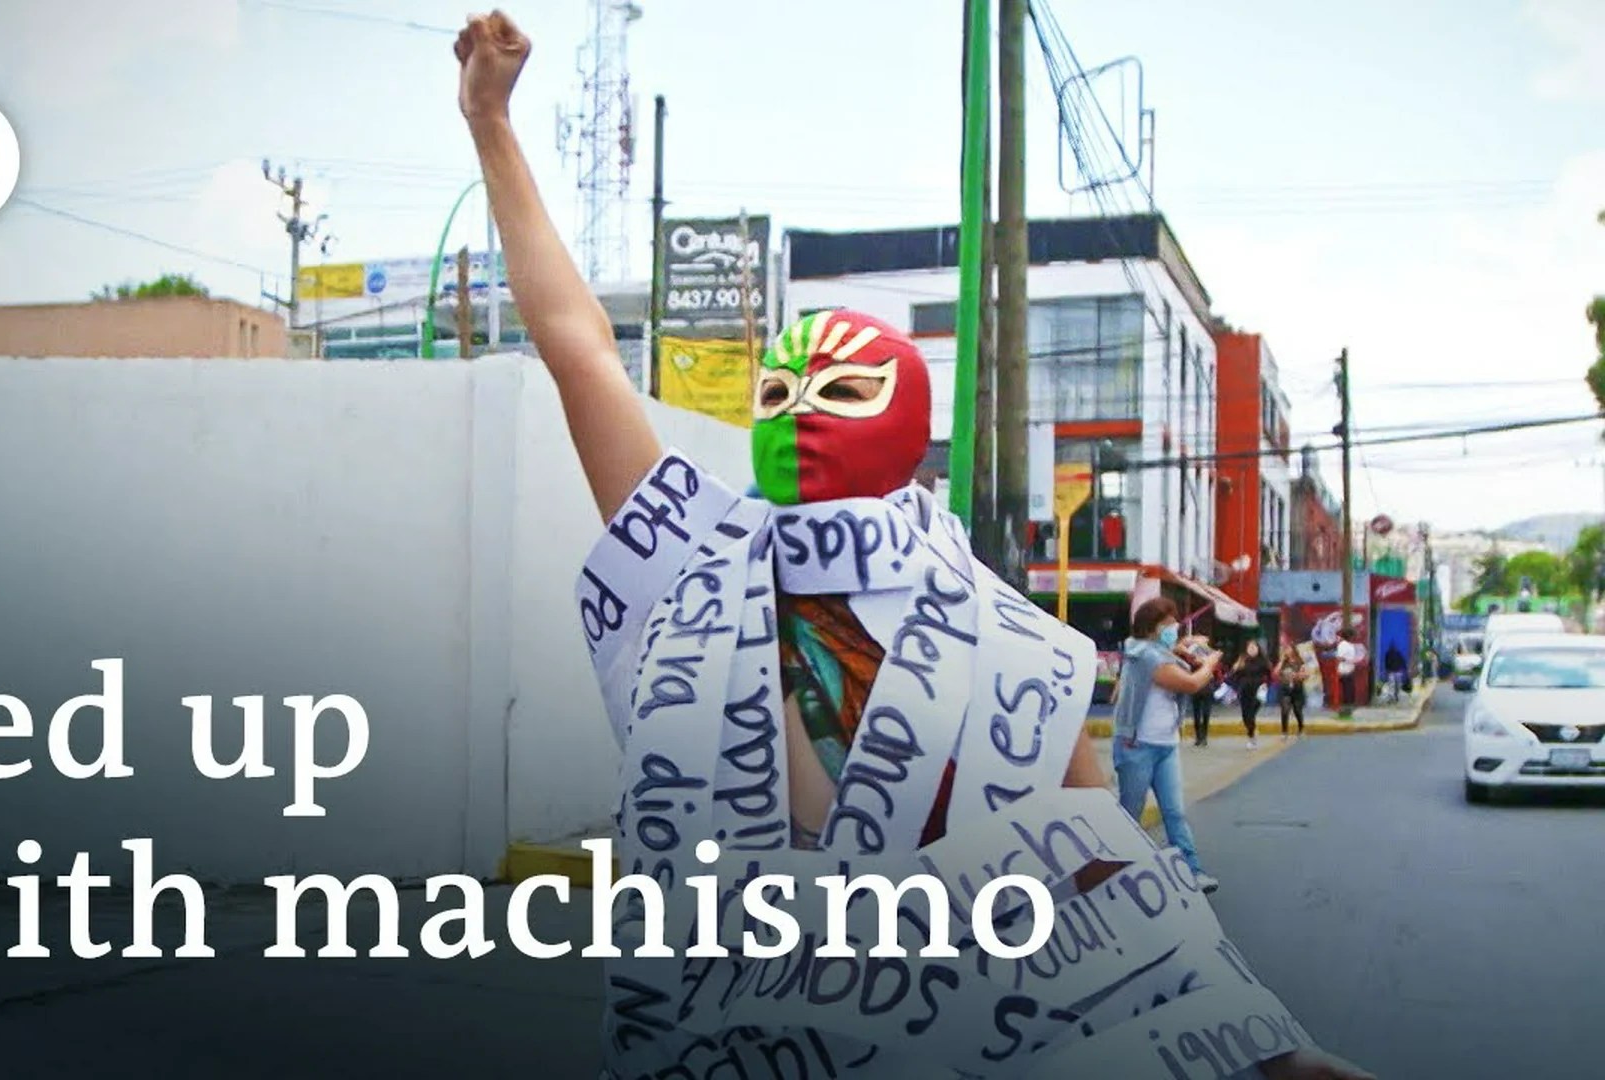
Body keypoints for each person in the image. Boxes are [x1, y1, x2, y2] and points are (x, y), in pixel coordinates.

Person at [454, 12, 1372, 1079]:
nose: (801, 413)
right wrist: (491, 126)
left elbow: (1114, 885)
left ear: (905, 426)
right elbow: (579, 349)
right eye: (778, 392)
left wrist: (1266, 1052)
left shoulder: (1007, 647)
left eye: (841, 390)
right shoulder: (693, 566)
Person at [1113, 598, 1222, 893]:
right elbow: (1190, 683)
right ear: (1152, 627)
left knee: (1174, 812)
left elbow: (1168, 652)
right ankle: (1119, 874)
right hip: (1138, 745)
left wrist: (1187, 645)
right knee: (1130, 814)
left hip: (1166, 745)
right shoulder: (1146, 656)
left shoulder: (1155, 650)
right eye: (1169, 624)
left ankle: (1192, 871)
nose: (1174, 628)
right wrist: (1209, 664)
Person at [1229, 640, 1273, 748]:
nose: (1252, 650)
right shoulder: (1243, 660)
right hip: (1244, 690)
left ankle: (1252, 737)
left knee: (1251, 714)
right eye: (1250, 648)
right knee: (1245, 715)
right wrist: (1235, 668)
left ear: (1258, 649)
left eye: (1254, 647)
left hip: (1258, 691)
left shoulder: (1263, 661)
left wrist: (1266, 685)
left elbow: (1271, 677)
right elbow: (1234, 676)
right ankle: (1252, 731)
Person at [1276, 639, 1311, 737]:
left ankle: (1301, 728)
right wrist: (1282, 661)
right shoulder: (1283, 662)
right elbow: (1276, 673)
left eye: (1288, 649)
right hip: (1285, 689)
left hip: (1297, 689)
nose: (1286, 651)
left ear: (1293, 650)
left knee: (1297, 710)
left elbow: (1306, 675)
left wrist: (1297, 675)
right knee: (1285, 710)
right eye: (1285, 649)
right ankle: (1284, 731)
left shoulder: (1300, 662)